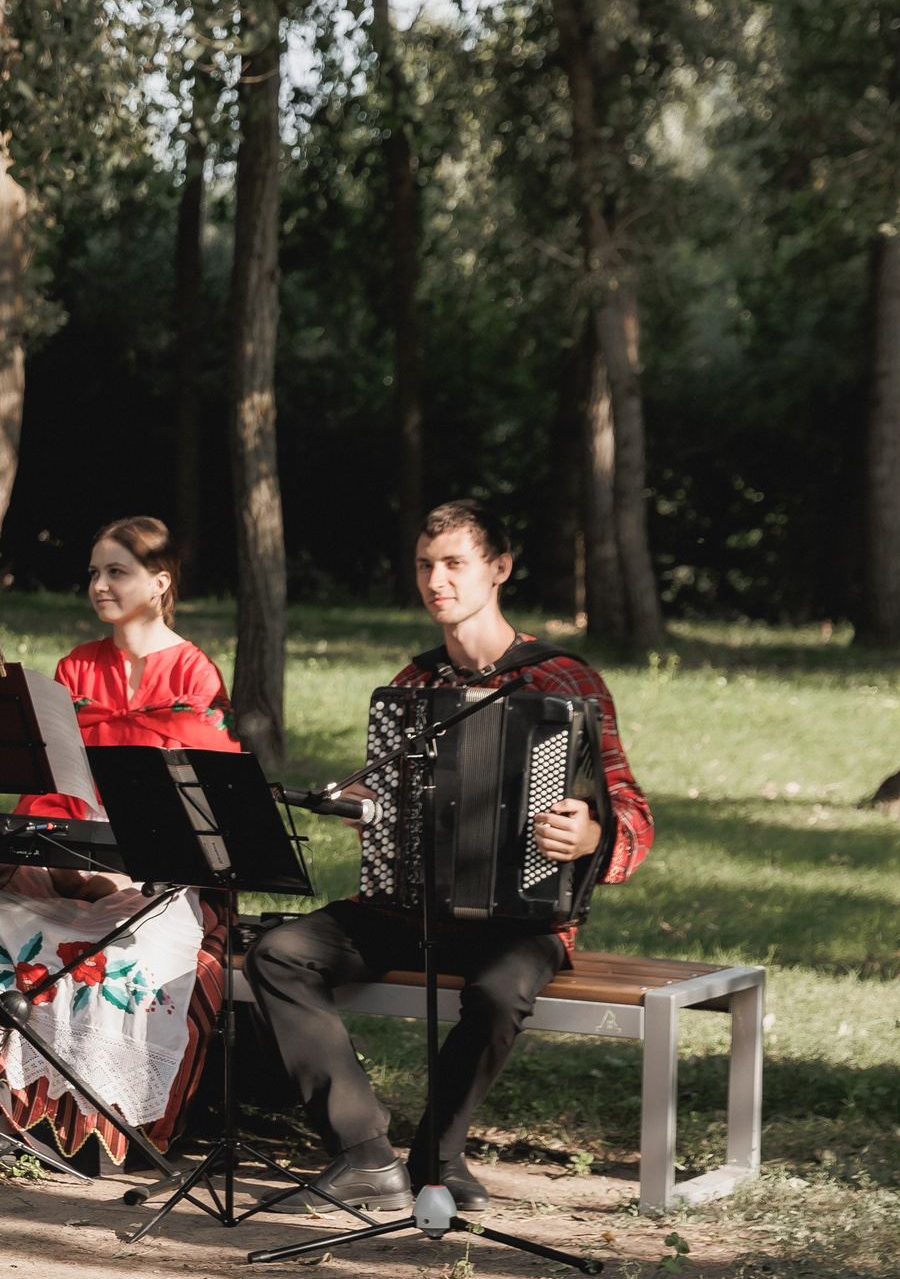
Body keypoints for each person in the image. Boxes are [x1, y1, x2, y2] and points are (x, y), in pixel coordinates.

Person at [233, 500, 654, 1215]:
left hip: (523, 916)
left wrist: (593, 838)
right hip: (409, 904)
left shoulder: (560, 682)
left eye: (455, 563)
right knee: (279, 952)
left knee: (496, 991)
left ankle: (440, 1154)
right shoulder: (412, 685)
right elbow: (388, 800)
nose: (437, 579)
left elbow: (631, 810)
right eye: (427, 564)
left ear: (499, 568)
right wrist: (367, 806)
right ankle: (364, 1151)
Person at [0, 516, 243, 1172]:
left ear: (160, 582)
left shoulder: (195, 671)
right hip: (72, 850)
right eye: (94, 572)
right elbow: (52, 777)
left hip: (157, 867)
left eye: (117, 571)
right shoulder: (76, 665)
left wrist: (124, 870)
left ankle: (106, 1123)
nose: (99, 585)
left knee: (137, 947)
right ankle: (1, 1099)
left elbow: (199, 802)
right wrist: (56, 859)